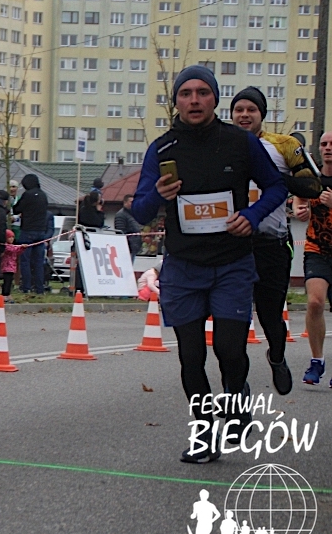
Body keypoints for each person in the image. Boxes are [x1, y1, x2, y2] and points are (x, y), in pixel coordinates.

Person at [131, 65, 286, 463]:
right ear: (176, 102)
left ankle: (236, 402)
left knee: (230, 350)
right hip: (184, 266)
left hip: (232, 262)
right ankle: (204, 434)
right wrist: (159, 195)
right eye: (186, 94)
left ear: (215, 98)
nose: (194, 100)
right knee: (191, 355)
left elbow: (276, 186)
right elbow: (141, 210)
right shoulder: (163, 149)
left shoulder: (239, 142)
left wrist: (251, 216)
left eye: (203, 92)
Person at [231, 86, 321, 395]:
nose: (244, 115)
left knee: (271, 316)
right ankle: (236, 383)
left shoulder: (284, 145)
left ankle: (278, 356)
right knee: (233, 320)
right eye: (239, 110)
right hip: (233, 245)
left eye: (251, 110)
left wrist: (272, 177)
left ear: (262, 115)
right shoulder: (221, 145)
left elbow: (313, 186)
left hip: (271, 244)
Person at [292, 131, 332, 387]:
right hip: (317, 248)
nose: (328, 148)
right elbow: (299, 196)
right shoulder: (313, 178)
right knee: (315, 302)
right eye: (324, 144)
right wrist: (299, 209)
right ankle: (317, 361)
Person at [13, 173, 50, 295]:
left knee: (25, 261)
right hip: (41, 231)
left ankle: (26, 287)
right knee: (39, 262)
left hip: (28, 230)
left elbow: (17, 209)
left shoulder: (27, 195)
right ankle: (39, 288)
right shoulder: (43, 195)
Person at [113, 194, 143, 262]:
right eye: (131, 202)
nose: (133, 204)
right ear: (125, 202)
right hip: (127, 246)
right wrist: (127, 244)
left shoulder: (132, 214)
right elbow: (120, 231)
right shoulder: (121, 215)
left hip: (134, 246)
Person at [0, 230, 20, 302]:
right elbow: (12, 249)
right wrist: (21, 247)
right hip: (7, 267)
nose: (11, 239)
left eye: (13, 237)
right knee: (7, 281)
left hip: (12, 267)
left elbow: (17, 251)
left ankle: (7, 293)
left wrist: (22, 248)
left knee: (10, 281)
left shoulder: (12, 246)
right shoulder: (6, 246)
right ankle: (5, 294)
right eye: (9, 237)